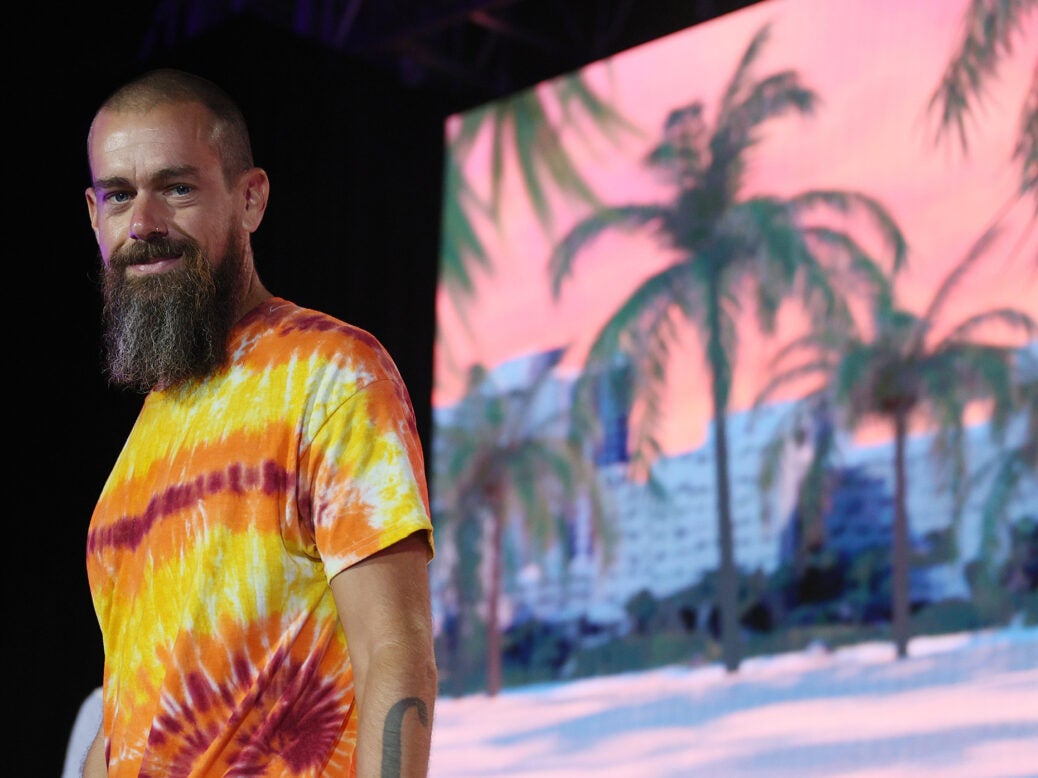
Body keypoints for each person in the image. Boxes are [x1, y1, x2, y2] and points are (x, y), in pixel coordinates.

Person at [80, 67, 437, 777]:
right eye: (119, 195)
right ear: (94, 216)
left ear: (250, 199)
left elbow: (394, 655)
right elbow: (126, 723)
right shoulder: (142, 445)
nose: (143, 223)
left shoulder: (330, 374)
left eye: (177, 188)